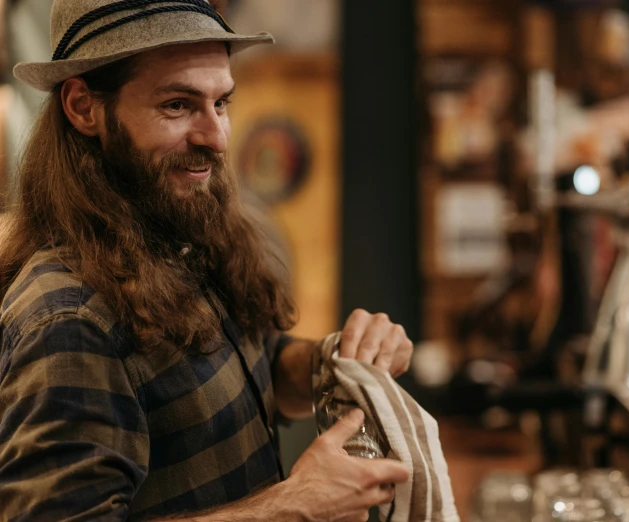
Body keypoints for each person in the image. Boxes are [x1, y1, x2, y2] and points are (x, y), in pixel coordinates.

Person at [0, 1, 413, 520]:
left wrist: (331, 365)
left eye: (221, 103)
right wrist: (290, 506)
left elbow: (248, 365)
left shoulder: (175, 227)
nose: (216, 137)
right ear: (84, 108)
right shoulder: (67, 319)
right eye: (177, 105)